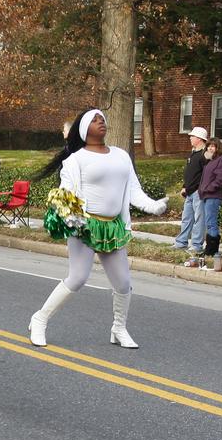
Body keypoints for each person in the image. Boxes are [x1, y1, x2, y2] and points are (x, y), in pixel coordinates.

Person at [29, 109, 168, 348]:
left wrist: (154, 207)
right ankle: (40, 319)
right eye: (94, 120)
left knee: (123, 283)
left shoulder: (121, 156)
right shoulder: (75, 160)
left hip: (112, 227)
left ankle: (119, 328)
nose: (100, 121)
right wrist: (74, 220)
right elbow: (66, 193)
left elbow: (133, 189)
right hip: (84, 226)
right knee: (78, 278)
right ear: (83, 130)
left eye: (102, 118)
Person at [172, 126, 209, 254]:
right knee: (186, 218)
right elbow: (191, 173)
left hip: (199, 192)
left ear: (199, 138)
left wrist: (201, 188)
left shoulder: (206, 154)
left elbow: (208, 173)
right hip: (189, 191)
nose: (190, 138)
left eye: (192, 136)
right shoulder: (193, 153)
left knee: (199, 219)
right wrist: (184, 186)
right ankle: (181, 242)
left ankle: (197, 245)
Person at [198, 138, 222, 268]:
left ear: (217, 148)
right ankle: (209, 248)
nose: (210, 148)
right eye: (209, 146)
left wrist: (208, 188)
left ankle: (212, 249)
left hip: (213, 196)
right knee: (208, 222)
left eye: (213, 147)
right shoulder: (209, 161)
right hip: (205, 196)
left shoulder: (220, 160)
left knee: (211, 222)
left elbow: (219, 180)